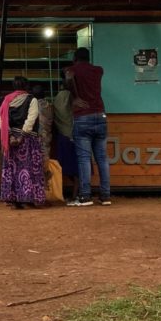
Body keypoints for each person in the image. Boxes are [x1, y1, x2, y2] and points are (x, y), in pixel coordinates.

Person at [65, 47, 111, 206]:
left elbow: (68, 78)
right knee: (102, 159)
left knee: (84, 158)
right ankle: (105, 196)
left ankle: (85, 196)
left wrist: (76, 97)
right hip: (101, 115)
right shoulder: (98, 70)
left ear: (75, 58)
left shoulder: (72, 69)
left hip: (83, 116)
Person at [0, 77, 46, 209]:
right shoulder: (32, 100)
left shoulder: (6, 100)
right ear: (26, 86)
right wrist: (22, 136)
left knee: (11, 169)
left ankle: (12, 199)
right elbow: (31, 119)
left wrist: (10, 135)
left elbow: (1, 120)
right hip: (27, 140)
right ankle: (27, 199)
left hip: (10, 140)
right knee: (28, 168)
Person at [51, 74, 78, 201]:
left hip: (62, 135)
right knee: (77, 169)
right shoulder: (72, 96)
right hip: (74, 135)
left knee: (62, 168)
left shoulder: (57, 98)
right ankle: (76, 194)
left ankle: (60, 193)